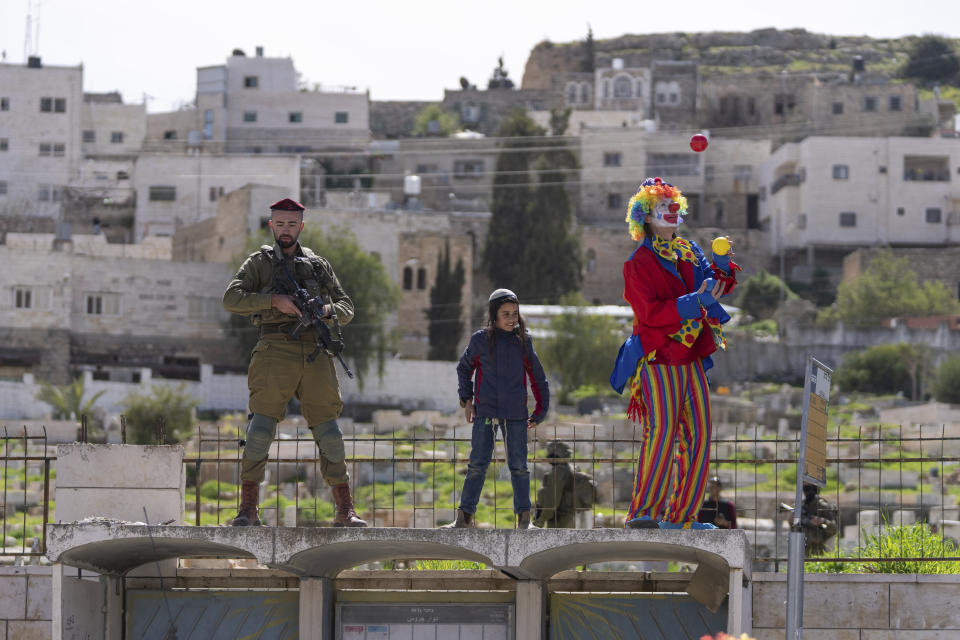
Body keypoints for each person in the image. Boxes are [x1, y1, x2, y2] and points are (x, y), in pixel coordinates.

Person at [222, 197, 366, 527]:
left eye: (292, 224)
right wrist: (274, 301)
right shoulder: (259, 263)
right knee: (260, 429)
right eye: (280, 224)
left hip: (315, 350)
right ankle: (248, 509)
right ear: (271, 225)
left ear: (301, 226)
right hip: (275, 348)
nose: (285, 230)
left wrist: (326, 310)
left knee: (329, 431)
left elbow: (346, 306)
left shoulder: (318, 265)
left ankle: (346, 510)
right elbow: (231, 298)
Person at [609, 177, 740, 531]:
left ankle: (681, 517)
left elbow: (714, 287)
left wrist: (723, 266)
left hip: (691, 357)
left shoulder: (690, 250)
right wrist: (692, 302)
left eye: (673, 205)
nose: (670, 211)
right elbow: (649, 313)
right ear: (645, 217)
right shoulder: (638, 262)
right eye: (660, 207)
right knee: (662, 432)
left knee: (699, 435)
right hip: (659, 356)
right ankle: (642, 513)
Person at [443, 288, 549, 530]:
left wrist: (541, 411)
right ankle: (463, 518)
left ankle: (524, 519)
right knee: (477, 464)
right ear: (494, 315)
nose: (512, 319)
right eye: (506, 314)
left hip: (516, 415)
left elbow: (538, 377)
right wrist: (466, 400)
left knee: (519, 466)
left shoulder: (523, 341)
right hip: (485, 413)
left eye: (515, 313)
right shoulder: (480, 340)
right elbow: (464, 368)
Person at [533, 441, 576, 528]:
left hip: (559, 518)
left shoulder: (558, 472)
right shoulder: (570, 469)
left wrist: (540, 520)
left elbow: (552, 500)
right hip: (568, 517)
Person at [800, 483, 838, 556]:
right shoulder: (802, 506)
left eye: (808, 488)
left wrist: (823, 521)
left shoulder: (823, 506)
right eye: (804, 489)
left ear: (815, 490)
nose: (806, 492)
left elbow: (834, 528)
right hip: (802, 548)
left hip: (817, 548)